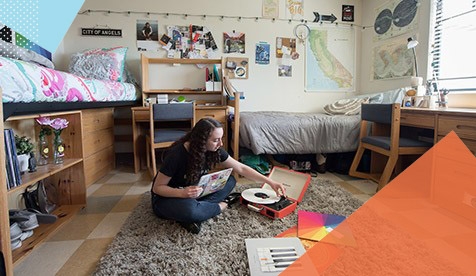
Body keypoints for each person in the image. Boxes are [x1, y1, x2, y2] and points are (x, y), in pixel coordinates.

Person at [151, 118, 286, 234]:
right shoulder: (176, 155)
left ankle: (198, 211)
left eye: (221, 139)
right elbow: (157, 188)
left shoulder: (214, 150)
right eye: (216, 140)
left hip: (193, 192)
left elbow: (241, 168)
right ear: (201, 141)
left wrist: (270, 181)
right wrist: (182, 193)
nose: (221, 144)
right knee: (191, 210)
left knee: (230, 181)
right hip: (168, 197)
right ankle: (221, 205)